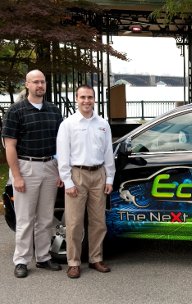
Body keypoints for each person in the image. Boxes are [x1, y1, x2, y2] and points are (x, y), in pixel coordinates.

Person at [1, 69, 63, 278]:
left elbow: (61, 144)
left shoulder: (54, 111)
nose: (40, 85)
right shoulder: (16, 111)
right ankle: (21, 260)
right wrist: (16, 176)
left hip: (49, 166)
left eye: (42, 82)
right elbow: (9, 146)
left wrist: (60, 171)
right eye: (35, 82)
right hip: (26, 167)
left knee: (45, 218)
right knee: (25, 219)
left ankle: (44, 257)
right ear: (27, 84)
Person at [56, 84, 116, 279]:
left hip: (98, 174)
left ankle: (95, 258)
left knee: (98, 222)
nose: (86, 101)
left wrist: (109, 177)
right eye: (83, 97)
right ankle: (73, 263)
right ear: (76, 99)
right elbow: (63, 156)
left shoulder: (102, 124)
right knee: (74, 223)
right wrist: (68, 181)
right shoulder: (68, 124)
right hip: (77, 175)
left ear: (94, 99)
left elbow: (108, 153)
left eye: (90, 97)